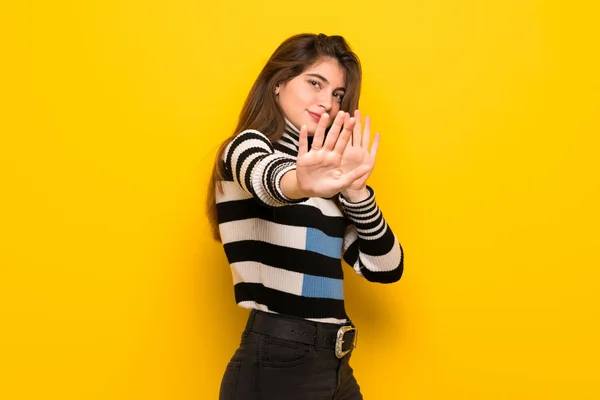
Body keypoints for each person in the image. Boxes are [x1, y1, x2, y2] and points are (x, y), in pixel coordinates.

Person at [207, 33, 404, 400]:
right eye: (315, 83)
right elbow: (270, 179)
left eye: (337, 95)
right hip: (278, 362)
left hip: (334, 364)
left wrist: (356, 191)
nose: (326, 102)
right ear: (279, 83)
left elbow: (386, 267)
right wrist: (302, 181)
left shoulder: (329, 182)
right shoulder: (246, 147)